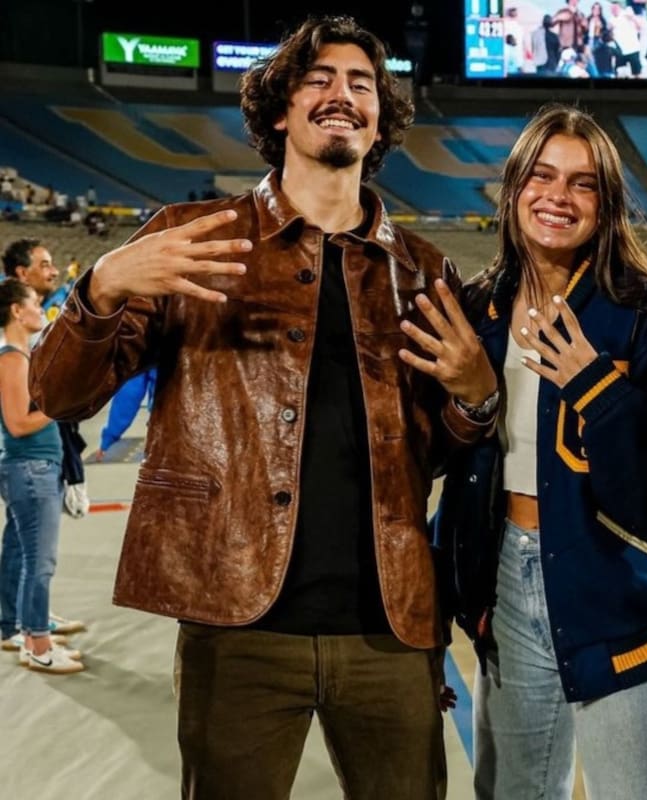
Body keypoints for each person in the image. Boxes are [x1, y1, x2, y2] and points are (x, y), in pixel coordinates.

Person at [30, 16, 499, 799]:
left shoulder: (423, 270)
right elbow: (57, 396)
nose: (341, 94)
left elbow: (434, 452)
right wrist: (101, 290)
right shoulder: (192, 237)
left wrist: (476, 399)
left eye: (361, 83)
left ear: (381, 117)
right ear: (279, 109)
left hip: (391, 628)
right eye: (318, 78)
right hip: (235, 623)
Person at [433, 104, 647, 800]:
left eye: (583, 183)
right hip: (502, 585)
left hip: (616, 589)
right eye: (542, 175)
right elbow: (445, 467)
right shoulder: (479, 310)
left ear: (607, 203)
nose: (557, 196)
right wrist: (472, 399)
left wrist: (596, 387)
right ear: (513, 188)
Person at [0, 280, 81, 673]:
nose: (40, 308)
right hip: (29, 467)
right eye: (34, 302)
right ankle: (37, 643)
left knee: (32, 558)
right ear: (17, 311)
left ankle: (28, 632)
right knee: (40, 562)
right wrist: (60, 405)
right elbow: (17, 423)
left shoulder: (21, 355)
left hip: (35, 466)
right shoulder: (12, 358)